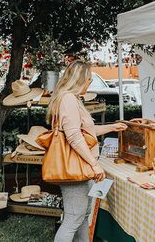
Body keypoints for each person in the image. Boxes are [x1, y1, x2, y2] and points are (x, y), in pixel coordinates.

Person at [47, 61, 127, 242]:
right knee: (73, 219)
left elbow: (86, 132)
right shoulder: (68, 99)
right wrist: (94, 164)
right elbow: (74, 137)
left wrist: (112, 127)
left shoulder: (72, 99)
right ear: (79, 79)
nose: (90, 83)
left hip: (82, 168)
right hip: (77, 167)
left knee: (83, 216)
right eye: (89, 79)